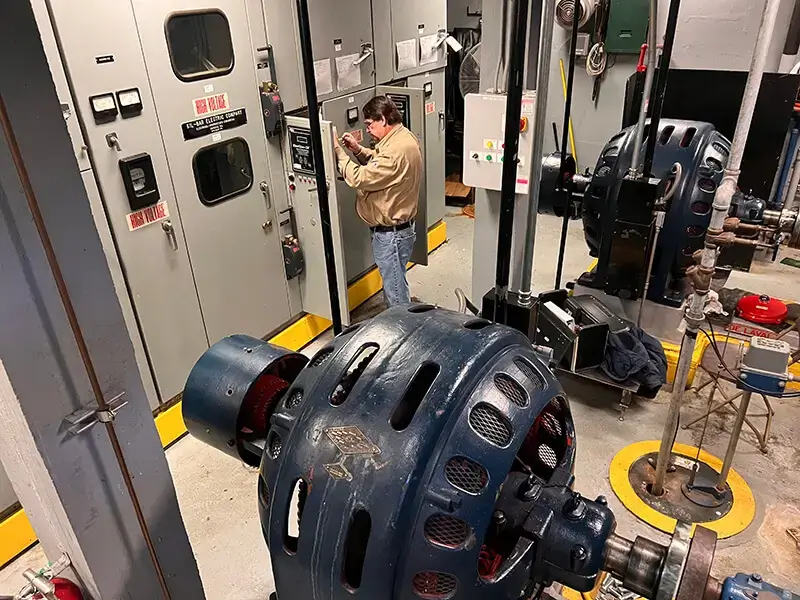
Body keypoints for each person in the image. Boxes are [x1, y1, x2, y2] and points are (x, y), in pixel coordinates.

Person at [333, 95, 423, 306]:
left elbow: (359, 178)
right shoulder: (403, 138)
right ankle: (401, 319)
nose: (367, 130)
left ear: (383, 119)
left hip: (391, 235)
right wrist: (357, 149)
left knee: (395, 292)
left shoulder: (395, 150)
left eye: (369, 124)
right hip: (399, 231)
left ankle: (402, 328)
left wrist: (338, 151)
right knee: (397, 281)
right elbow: (379, 164)